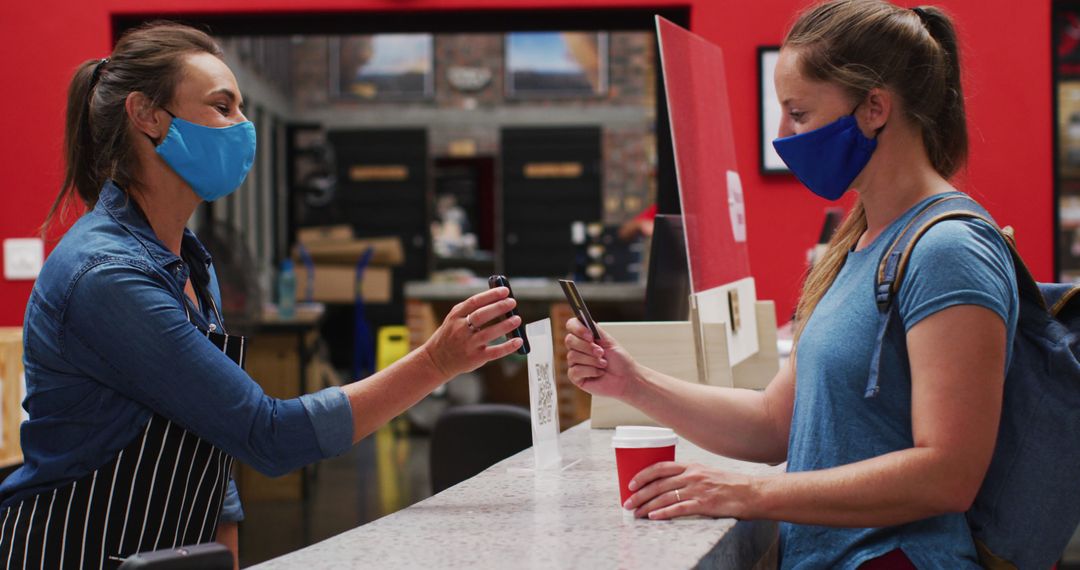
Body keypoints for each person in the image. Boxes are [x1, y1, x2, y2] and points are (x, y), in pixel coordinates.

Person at [0, 22, 524, 568]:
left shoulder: (191, 263)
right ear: (147, 116)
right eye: (222, 107)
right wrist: (436, 360)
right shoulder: (106, 277)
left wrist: (221, 547)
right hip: (75, 552)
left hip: (167, 553)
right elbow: (266, 433)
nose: (242, 126)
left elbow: (211, 428)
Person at [565, 1, 1017, 568]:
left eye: (798, 113)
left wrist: (747, 494)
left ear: (874, 107)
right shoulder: (862, 244)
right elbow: (775, 425)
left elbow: (947, 475)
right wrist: (632, 382)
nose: (782, 135)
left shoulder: (949, 250)